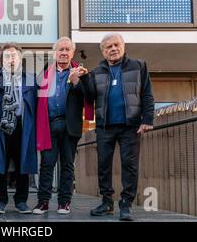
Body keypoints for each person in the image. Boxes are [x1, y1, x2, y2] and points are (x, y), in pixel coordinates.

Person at [78, 33, 154, 221]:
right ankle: (106, 202)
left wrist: (148, 119)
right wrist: (85, 79)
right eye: (108, 47)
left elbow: (147, 94)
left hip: (131, 125)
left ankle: (126, 204)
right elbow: (89, 97)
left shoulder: (138, 66)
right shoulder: (97, 72)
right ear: (103, 51)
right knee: (103, 165)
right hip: (105, 125)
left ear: (123, 45)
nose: (112, 49)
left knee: (130, 165)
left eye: (116, 45)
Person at [33, 37, 93, 215]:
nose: (64, 53)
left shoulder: (81, 73)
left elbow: (90, 96)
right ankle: (43, 202)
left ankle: (64, 202)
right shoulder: (44, 74)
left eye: (68, 49)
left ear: (72, 53)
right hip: (49, 125)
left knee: (67, 165)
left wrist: (76, 81)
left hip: (70, 125)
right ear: (55, 53)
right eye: (61, 49)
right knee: (46, 164)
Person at [0, 42, 37, 214]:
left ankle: (21, 201)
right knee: (0, 164)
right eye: (7, 56)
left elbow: (37, 105)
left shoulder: (30, 79)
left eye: (14, 56)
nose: (11, 59)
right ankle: (0, 200)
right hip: (1, 126)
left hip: (22, 126)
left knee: (22, 164)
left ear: (20, 58)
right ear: (2, 60)